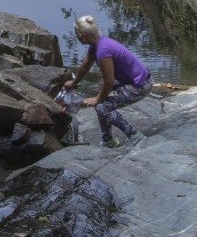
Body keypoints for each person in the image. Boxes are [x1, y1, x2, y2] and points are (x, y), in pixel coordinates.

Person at [64, 15, 152, 147]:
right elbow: (84, 66)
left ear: (82, 35)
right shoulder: (95, 45)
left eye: (77, 34)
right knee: (101, 101)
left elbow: (109, 82)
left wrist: (97, 98)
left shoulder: (103, 50)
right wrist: (73, 83)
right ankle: (108, 140)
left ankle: (134, 136)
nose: (76, 37)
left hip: (141, 84)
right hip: (130, 80)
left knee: (102, 106)